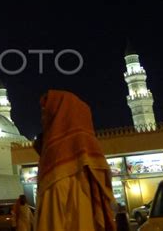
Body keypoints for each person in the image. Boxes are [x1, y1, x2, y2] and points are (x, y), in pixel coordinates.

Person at [34, 90, 117, 231]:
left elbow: (51, 223)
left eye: (46, 114)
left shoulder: (56, 172)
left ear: (60, 118)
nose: (43, 120)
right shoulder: (94, 167)